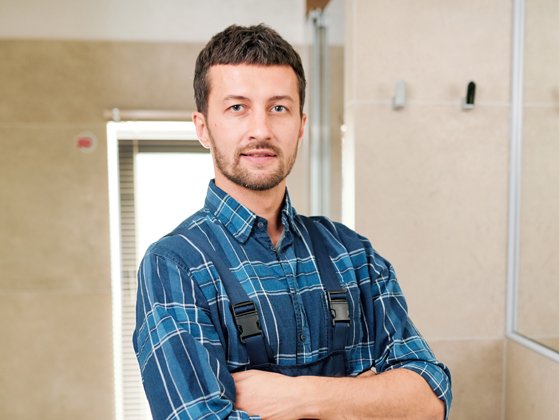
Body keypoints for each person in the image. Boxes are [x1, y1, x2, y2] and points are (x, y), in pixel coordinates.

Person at [133, 24, 452, 420]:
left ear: (301, 125)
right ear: (203, 128)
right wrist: (365, 395)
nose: (261, 130)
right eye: (237, 108)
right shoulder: (175, 266)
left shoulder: (352, 254)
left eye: (278, 108)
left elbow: (430, 399)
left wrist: (297, 396)